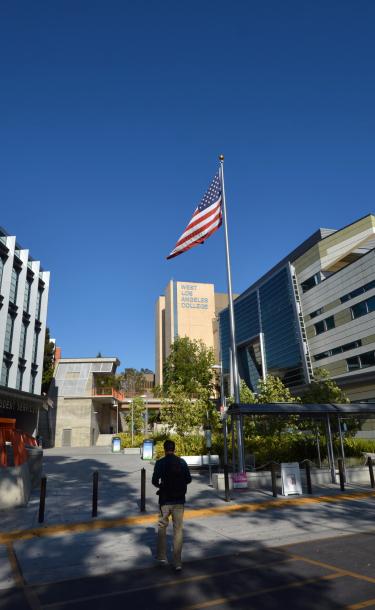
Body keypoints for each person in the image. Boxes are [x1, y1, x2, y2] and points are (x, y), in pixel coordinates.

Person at [152, 439, 192, 571]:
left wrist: (161, 486)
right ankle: (177, 562)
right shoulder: (181, 462)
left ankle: (162, 557)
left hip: (164, 500)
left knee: (162, 526)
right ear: (174, 449)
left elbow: (154, 480)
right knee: (178, 529)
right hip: (179, 500)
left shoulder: (160, 463)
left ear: (164, 449)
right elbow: (188, 479)